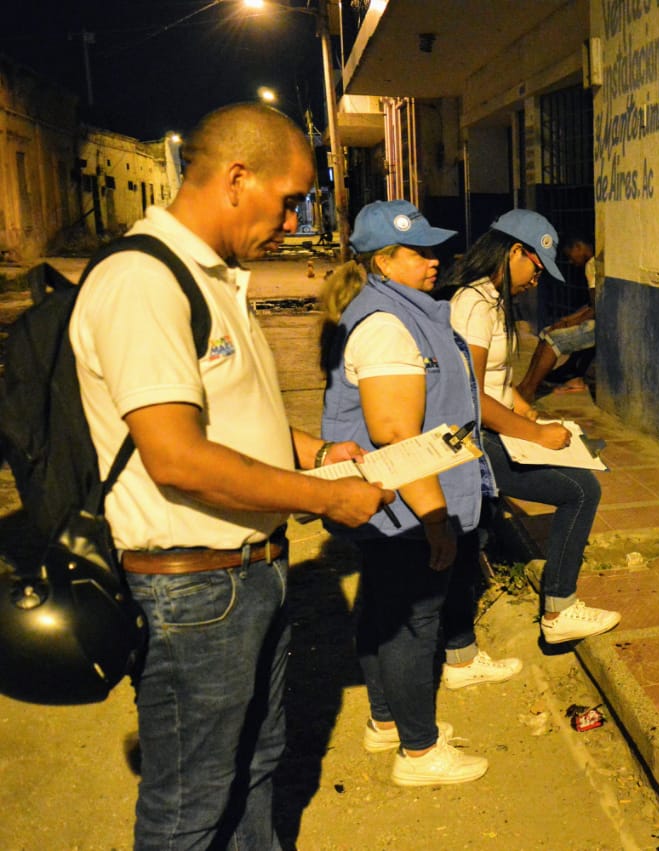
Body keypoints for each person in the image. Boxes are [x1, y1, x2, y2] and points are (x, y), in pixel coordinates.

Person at [68, 103, 392, 849]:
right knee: (191, 807)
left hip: (248, 573)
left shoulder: (213, 277)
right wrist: (326, 498)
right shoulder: (143, 280)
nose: (292, 220)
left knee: (258, 767)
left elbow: (228, 418)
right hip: (195, 590)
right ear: (238, 178)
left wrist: (314, 451)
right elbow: (178, 457)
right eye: (289, 200)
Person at [319, 200, 519, 786]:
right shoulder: (386, 325)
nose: (436, 260)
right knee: (412, 621)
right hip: (406, 503)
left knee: (386, 608)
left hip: (396, 501)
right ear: (384, 261)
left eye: (435, 250)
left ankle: (387, 722)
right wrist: (434, 517)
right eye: (421, 252)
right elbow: (396, 435)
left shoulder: (401, 310)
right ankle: (419, 751)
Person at [445, 210, 621, 644]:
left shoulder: (490, 300)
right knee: (581, 490)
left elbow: (495, 381)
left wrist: (526, 411)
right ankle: (559, 610)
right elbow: (470, 394)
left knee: (472, 539)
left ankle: (460, 650)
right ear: (515, 252)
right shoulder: (474, 304)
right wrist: (536, 435)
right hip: (474, 438)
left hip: (490, 430)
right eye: (537, 270)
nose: (536, 281)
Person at [515, 235, 596, 399]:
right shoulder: (594, 264)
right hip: (598, 318)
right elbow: (592, 305)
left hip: (604, 325)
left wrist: (567, 323)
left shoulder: (591, 265)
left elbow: (596, 309)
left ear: (578, 247)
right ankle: (527, 384)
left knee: (553, 340)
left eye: (570, 256)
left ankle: (529, 389)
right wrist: (566, 321)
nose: (571, 262)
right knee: (547, 332)